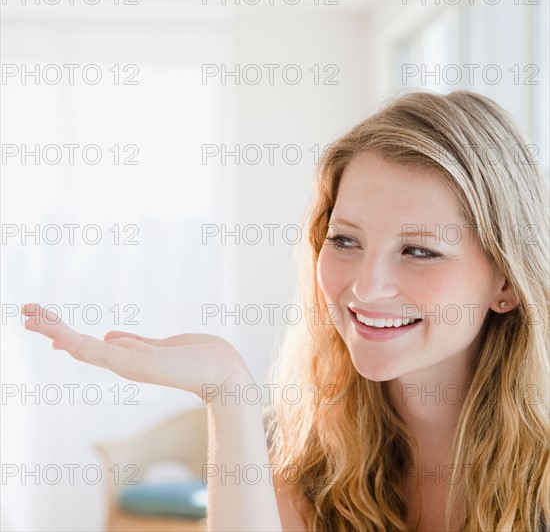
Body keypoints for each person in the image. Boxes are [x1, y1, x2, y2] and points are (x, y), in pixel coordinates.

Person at [23, 90, 549, 532]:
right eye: (345, 240)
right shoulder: (309, 459)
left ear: (506, 281)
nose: (366, 287)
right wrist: (227, 392)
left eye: (420, 250)